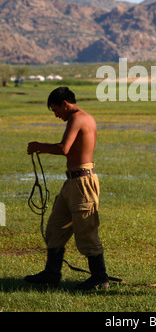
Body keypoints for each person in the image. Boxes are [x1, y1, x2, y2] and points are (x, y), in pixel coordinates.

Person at [24, 86, 109, 291]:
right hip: (72, 181)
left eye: (56, 110)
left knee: (86, 231)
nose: (56, 115)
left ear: (65, 104)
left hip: (82, 182)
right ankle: (51, 274)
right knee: (55, 227)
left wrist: (38, 146)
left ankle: (100, 277)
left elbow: (64, 148)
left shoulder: (77, 118)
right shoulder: (79, 118)